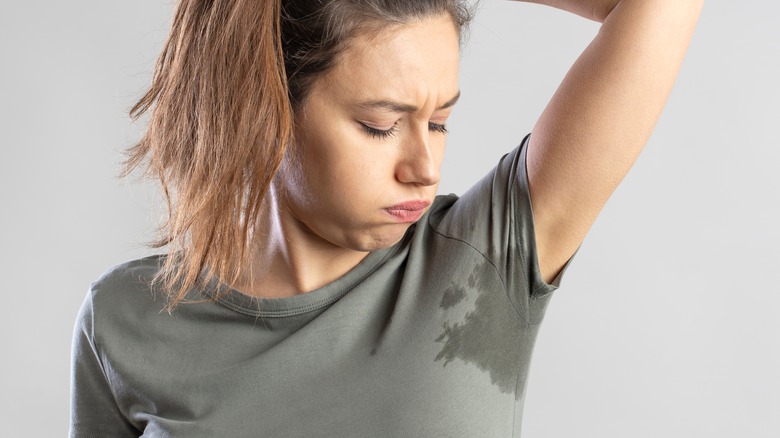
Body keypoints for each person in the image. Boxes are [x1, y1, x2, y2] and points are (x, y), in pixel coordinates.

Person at [69, 0, 702, 436]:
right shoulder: (126, 322)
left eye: (439, 122)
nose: (424, 166)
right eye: (380, 126)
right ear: (265, 109)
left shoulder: (486, 260)